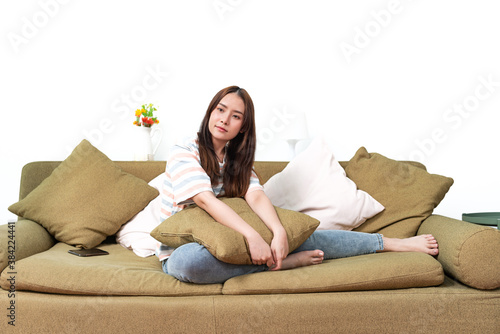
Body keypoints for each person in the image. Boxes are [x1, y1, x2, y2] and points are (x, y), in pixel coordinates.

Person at [156, 85, 439, 284]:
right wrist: (253, 238)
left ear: (242, 127)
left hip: (233, 237)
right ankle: (278, 265)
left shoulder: (236, 159)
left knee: (305, 235)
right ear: (210, 112)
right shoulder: (185, 150)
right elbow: (206, 200)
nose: (224, 119)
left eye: (235, 116)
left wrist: (278, 232)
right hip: (187, 247)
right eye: (220, 109)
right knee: (189, 265)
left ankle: (389, 243)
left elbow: (255, 197)